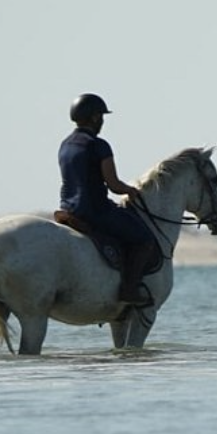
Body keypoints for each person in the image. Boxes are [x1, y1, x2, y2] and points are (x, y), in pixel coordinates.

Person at [57, 92, 160, 304]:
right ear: (95, 118)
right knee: (145, 240)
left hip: (68, 209)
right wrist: (131, 191)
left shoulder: (65, 145)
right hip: (95, 211)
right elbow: (113, 185)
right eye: (101, 117)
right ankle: (129, 290)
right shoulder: (99, 145)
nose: (102, 121)